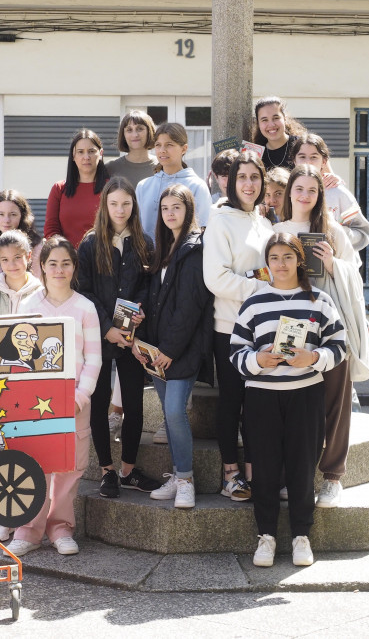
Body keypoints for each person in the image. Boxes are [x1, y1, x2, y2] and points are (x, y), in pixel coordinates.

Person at [231, 232, 346, 568]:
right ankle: (265, 536)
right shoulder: (254, 303)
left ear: (299, 260)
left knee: (301, 466)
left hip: (305, 396)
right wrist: (257, 361)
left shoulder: (319, 301)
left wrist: (312, 359)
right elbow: (236, 352)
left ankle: (301, 536)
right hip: (262, 398)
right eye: (274, 258)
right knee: (264, 470)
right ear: (267, 264)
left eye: (287, 257)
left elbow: (338, 346)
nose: (281, 264)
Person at [274, 165, 369, 508]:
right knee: (293, 403)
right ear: (289, 192)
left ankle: (333, 478)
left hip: (332, 326)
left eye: (312, 190)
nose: (304, 195)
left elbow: (356, 280)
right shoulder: (275, 230)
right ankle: (294, 475)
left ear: (320, 196)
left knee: (336, 402)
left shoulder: (332, 230)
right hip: (289, 325)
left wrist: (333, 264)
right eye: (299, 189)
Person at [3, 236, 103, 555]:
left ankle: (61, 527)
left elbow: (94, 359)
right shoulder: (30, 306)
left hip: (75, 400)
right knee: (35, 462)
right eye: (52, 264)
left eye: (66, 263)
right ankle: (28, 529)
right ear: (41, 267)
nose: (59, 270)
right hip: (36, 402)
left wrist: (79, 396)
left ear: (74, 267)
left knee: (70, 465)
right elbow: (17, 357)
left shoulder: (86, 308)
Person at [78, 177, 160, 498]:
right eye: (114, 203)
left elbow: (148, 286)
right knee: (99, 403)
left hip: (130, 335)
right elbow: (83, 292)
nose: (120, 209)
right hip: (98, 337)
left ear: (134, 205)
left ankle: (128, 469)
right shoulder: (90, 243)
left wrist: (139, 312)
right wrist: (106, 328)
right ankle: (107, 471)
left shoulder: (144, 242)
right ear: (105, 205)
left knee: (134, 403)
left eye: (126, 203)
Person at [133, 185, 213, 509]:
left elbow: (190, 307)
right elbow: (155, 300)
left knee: (174, 413)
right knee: (168, 414)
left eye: (176, 207)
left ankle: (187, 480)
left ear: (188, 210)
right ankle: (178, 476)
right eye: (165, 208)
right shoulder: (161, 251)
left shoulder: (195, 249)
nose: (169, 213)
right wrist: (142, 333)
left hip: (180, 350)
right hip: (158, 351)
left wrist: (169, 349)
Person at [202, 151, 274, 502]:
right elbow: (216, 278)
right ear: (230, 182)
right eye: (242, 177)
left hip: (264, 328)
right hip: (230, 327)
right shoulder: (220, 220)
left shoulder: (265, 221)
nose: (248, 184)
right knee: (232, 400)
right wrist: (263, 288)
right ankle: (231, 474)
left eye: (255, 178)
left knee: (259, 403)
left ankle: (254, 471)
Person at [105, 112, 158, 443]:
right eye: (130, 127)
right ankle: (113, 410)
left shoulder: (159, 165)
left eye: (141, 127)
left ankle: (121, 410)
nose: (135, 132)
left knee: (136, 341)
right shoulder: (112, 169)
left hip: (146, 249)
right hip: (114, 252)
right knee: (117, 339)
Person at [291, 133, 369, 251]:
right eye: (302, 157)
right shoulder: (286, 192)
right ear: (294, 160)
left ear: (324, 161)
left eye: (314, 157)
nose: (308, 162)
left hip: (333, 265)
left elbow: (363, 232)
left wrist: (335, 234)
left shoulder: (338, 193)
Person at [136, 122, 211, 242]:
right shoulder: (143, 186)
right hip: (147, 258)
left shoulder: (197, 186)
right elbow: (137, 228)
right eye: (158, 145)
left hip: (183, 257)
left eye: (169, 145)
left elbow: (203, 230)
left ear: (184, 148)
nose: (162, 150)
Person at [44, 129, 110, 245]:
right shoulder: (59, 189)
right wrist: (67, 253)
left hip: (102, 257)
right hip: (67, 259)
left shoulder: (111, 188)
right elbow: (51, 229)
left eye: (91, 151)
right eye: (80, 152)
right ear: (73, 156)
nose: (86, 157)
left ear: (100, 154)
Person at [0, 190, 43, 277]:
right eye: (1, 214)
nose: (6, 220)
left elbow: (39, 282)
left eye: (13, 214)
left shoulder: (37, 248)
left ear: (22, 215)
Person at [0, 229, 43, 315]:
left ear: (28, 256)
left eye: (17, 257)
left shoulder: (40, 292)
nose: (11, 265)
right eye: (5, 259)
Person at [250, 96, 307, 171]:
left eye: (276, 118)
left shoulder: (303, 145)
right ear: (258, 124)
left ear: (285, 118)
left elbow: (324, 176)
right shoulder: (254, 154)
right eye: (264, 120)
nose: (271, 125)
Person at [105, 109, 158, 189]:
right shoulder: (110, 168)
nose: (135, 135)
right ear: (123, 135)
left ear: (149, 131)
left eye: (140, 129)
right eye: (129, 130)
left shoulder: (162, 166)